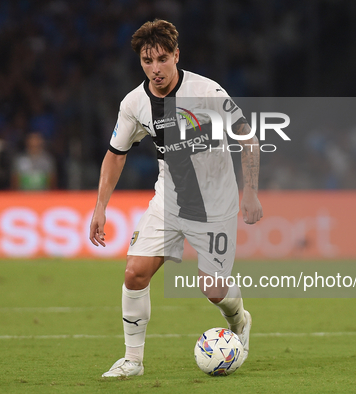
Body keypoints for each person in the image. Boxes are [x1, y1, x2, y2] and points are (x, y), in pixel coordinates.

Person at [89, 19, 263, 377]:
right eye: (147, 61)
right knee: (135, 273)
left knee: (213, 289)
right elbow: (115, 154)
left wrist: (251, 193)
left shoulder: (208, 92)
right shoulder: (135, 104)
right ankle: (133, 361)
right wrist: (100, 206)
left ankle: (240, 319)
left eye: (162, 59)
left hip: (216, 203)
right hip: (168, 201)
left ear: (176, 56)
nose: (155, 69)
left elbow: (248, 139)